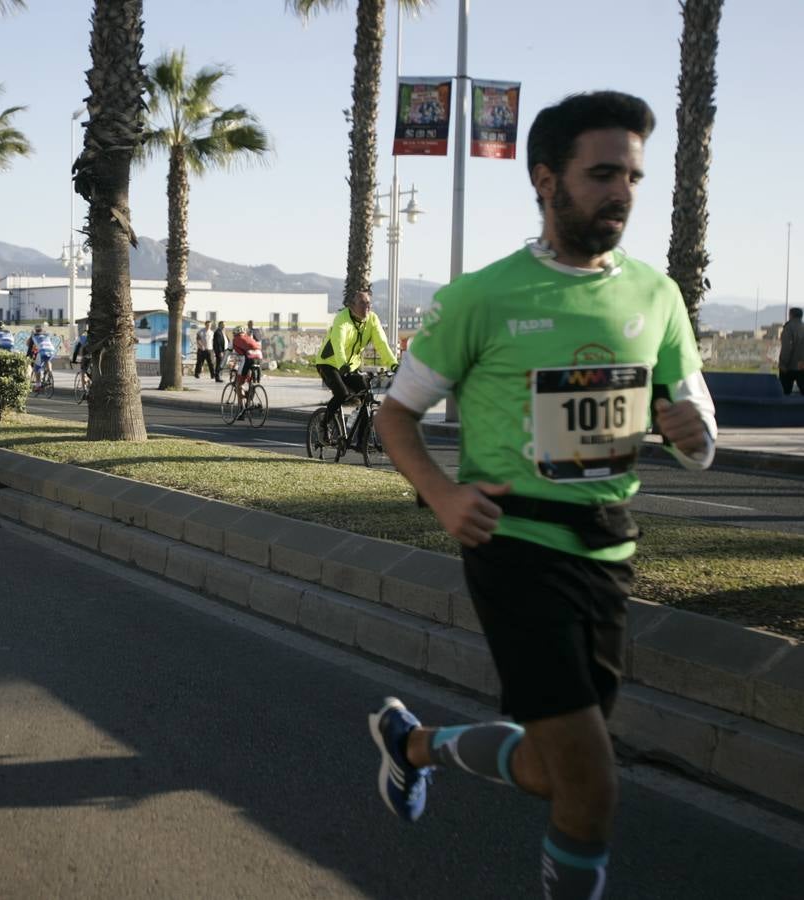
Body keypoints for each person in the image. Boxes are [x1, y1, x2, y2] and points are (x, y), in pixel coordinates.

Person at [370, 91, 717, 899]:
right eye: (602, 174)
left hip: (609, 550)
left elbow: (698, 423)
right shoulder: (482, 297)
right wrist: (443, 498)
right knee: (593, 788)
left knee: (550, 769)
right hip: (513, 547)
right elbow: (395, 416)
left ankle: (411, 744)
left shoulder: (658, 296)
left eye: (632, 175)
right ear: (546, 179)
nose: (622, 191)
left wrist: (692, 434)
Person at [314, 290, 398, 439]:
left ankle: (361, 440)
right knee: (342, 393)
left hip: (350, 366)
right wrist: (342, 365)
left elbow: (382, 344)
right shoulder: (342, 318)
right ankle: (324, 424)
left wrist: (393, 364)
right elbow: (338, 343)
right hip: (328, 364)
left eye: (368, 303)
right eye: (362, 303)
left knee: (367, 394)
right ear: (351, 306)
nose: (367, 307)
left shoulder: (372, 319)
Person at [779, 307, 804, 395]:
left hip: (789, 366)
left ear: (791, 315)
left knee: (784, 392)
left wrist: (783, 364)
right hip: (802, 366)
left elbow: (787, 348)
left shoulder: (788, 328)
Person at [230, 325, 263, 391]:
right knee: (249, 375)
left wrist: (223, 365)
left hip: (249, 358)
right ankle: (252, 388)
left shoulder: (235, 340)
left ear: (235, 333)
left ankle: (240, 400)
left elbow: (232, 352)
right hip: (259, 356)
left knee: (239, 383)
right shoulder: (249, 338)